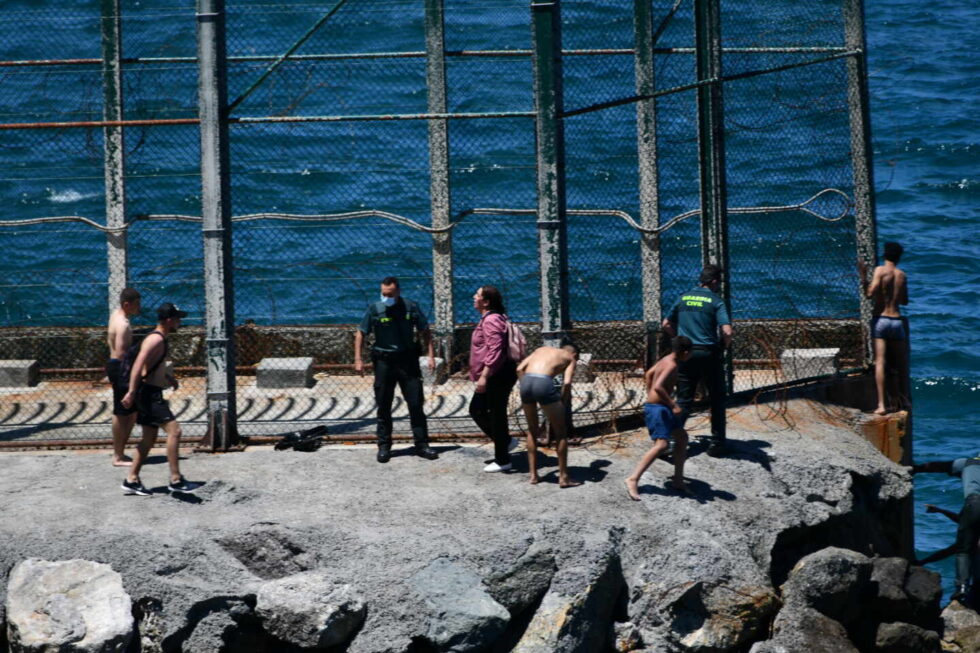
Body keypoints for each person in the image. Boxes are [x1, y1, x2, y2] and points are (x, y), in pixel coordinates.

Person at [354, 276, 438, 463]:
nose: (386, 298)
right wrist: (358, 359)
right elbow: (360, 333)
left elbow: (425, 331)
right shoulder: (375, 309)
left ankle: (422, 444)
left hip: (408, 361)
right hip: (384, 363)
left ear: (398, 291)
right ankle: (384, 446)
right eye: (384, 294)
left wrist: (431, 356)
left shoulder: (411, 307)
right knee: (384, 405)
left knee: (415, 403)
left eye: (390, 294)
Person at [120, 303, 197, 495]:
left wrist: (168, 377)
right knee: (175, 431)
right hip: (149, 394)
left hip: (149, 391)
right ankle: (176, 479)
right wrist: (130, 392)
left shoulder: (160, 338)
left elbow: (152, 365)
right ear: (169, 320)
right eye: (178, 318)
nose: (180, 322)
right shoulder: (156, 340)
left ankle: (132, 479)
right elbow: (138, 364)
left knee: (149, 438)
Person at [662, 264, 732, 456]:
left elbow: (666, 324)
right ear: (715, 281)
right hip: (709, 353)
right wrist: (723, 348)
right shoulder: (716, 301)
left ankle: (670, 440)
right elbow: (727, 331)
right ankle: (718, 443)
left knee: (684, 398)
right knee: (717, 398)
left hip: (686, 353)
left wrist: (679, 340)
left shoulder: (683, 297)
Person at [625, 336, 694, 501]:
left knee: (682, 437)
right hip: (658, 409)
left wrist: (651, 396)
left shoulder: (666, 359)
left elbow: (649, 374)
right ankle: (633, 479)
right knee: (661, 444)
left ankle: (678, 479)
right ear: (685, 352)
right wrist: (673, 404)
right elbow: (658, 386)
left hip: (660, 406)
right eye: (690, 353)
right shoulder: (671, 365)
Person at [912, 453, 980, 602]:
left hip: (974, 503)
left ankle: (962, 587)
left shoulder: (969, 463)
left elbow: (939, 466)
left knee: (964, 550)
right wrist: (941, 511)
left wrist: (916, 468)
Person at [516, 342, 582, 488]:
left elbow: (520, 368)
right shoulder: (570, 358)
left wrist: (528, 388)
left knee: (532, 430)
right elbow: (567, 383)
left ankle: (533, 476)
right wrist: (563, 402)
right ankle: (564, 477)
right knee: (561, 433)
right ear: (575, 355)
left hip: (526, 382)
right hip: (543, 383)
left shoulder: (540, 349)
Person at [469, 285, 519, 473]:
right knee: (482, 410)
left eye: (478, 295)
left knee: (492, 413)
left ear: (486, 302)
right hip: (498, 373)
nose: (474, 297)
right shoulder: (492, 318)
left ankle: (503, 458)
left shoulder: (491, 320)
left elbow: (495, 350)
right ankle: (505, 443)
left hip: (497, 374)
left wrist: (484, 376)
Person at [859, 241, 909, 415]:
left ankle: (881, 405)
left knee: (881, 362)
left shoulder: (880, 271)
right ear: (898, 257)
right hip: (896, 321)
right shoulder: (902, 275)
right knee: (901, 363)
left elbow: (869, 294)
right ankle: (904, 400)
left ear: (885, 255)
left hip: (880, 320)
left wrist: (863, 276)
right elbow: (904, 301)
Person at [106, 287, 141, 466]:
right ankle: (118, 455)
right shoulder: (124, 324)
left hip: (114, 366)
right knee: (122, 412)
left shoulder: (115, 316)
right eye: (136, 304)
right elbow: (121, 353)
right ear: (127, 304)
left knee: (130, 411)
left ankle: (119, 451)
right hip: (121, 368)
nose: (139, 307)